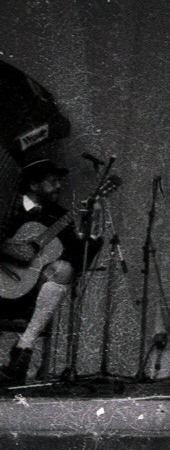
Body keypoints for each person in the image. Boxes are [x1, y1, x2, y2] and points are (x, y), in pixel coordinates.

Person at [2, 157, 85, 385]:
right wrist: (12, 250)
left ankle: (23, 349)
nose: (58, 186)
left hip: (32, 291)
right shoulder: (7, 207)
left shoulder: (60, 216)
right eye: (52, 181)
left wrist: (88, 233)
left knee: (65, 269)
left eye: (59, 181)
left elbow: (79, 256)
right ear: (33, 185)